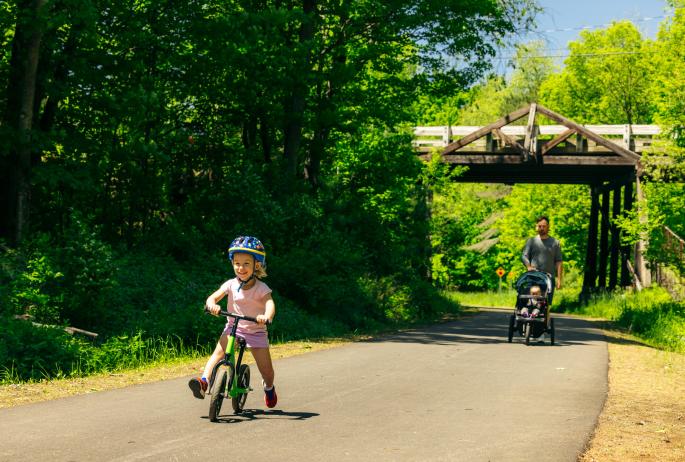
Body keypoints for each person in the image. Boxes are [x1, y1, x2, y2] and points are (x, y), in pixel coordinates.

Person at [188, 236, 277, 408]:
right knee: (218, 353)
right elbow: (214, 296)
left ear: (256, 265)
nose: (240, 268)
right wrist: (212, 304)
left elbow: (270, 303)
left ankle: (269, 387)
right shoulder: (230, 284)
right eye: (237, 263)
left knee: (266, 370)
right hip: (233, 328)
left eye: (246, 264)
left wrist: (266, 316)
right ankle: (204, 382)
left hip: (256, 330)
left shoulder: (261, 288)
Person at [521, 216, 563, 333]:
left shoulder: (555, 243)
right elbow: (524, 256)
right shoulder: (531, 241)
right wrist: (528, 266)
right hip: (533, 277)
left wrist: (559, 279)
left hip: (548, 279)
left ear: (548, 227)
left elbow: (559, 261)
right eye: (539, 226)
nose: (541, 228)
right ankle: (527, 322)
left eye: (544, 226)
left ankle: (542, 331)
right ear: (536, 226)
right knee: (528, 299)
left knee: (546, 304)